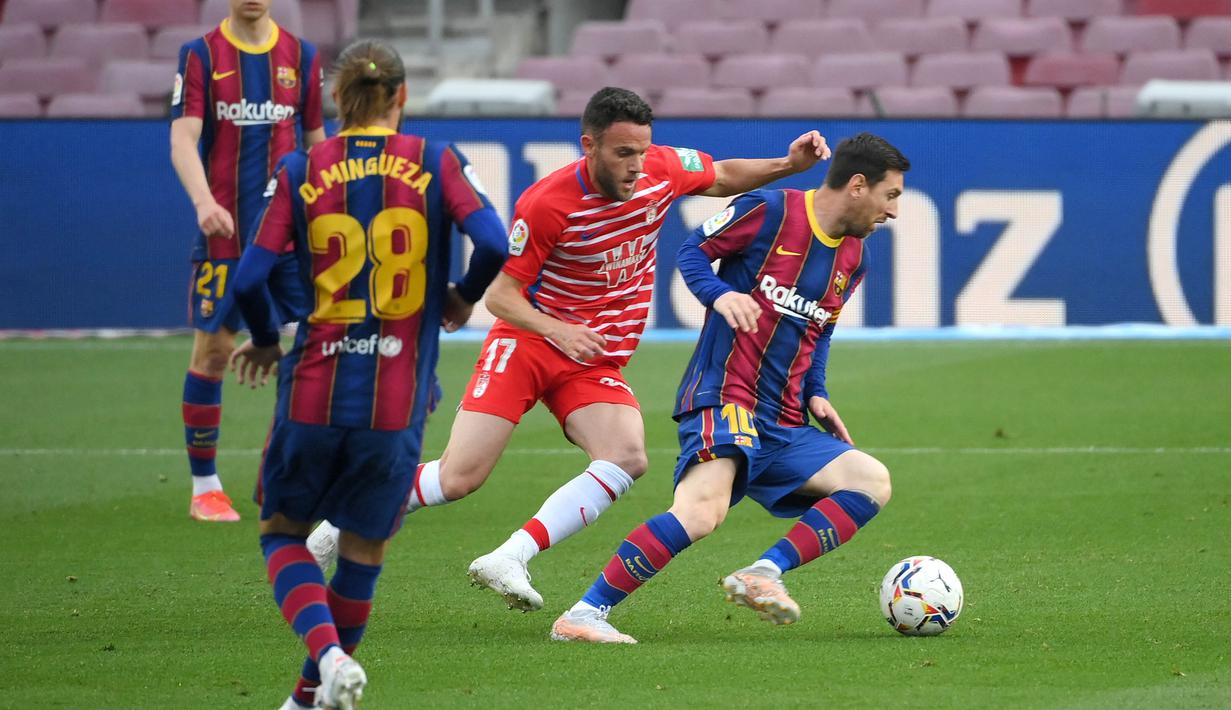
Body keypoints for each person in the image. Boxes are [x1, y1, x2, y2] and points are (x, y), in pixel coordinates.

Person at [310, 87, 832, 613]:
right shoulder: (545, 204)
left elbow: (721, 175)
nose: (635, 166)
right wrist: (559, 330)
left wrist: (788, 164)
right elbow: (502, 297)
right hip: (529, 343)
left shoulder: (661, 169)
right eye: (622, 153)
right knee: (459, 477)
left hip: (591, 358)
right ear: (589, 145)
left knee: (627, 455)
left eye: (642, 152)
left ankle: (511, 556)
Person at [229, 40, 507, 709]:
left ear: (336, 99)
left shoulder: (300, 167)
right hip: (396, 400)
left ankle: (322, 662)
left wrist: (267, 340)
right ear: (400, 96)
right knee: (361, 553)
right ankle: (310, 694)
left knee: (281, 534)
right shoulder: (435, 162)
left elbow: (249, 278)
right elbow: (495, 241)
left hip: (314, 391)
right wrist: (462, 294)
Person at [549, 132, 909, 644]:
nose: (893, 212)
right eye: (890, 196)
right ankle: (583, 615)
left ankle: (764, 572)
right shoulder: (766, 209)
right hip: (725, 396)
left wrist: (817, 390)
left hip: (784, 418)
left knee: (871, 480)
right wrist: (719, 295)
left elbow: (821, 328)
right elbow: (692, 251)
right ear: (857, 186)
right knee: (701, 511)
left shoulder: (854, 257)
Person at [170, 0, 325, 522]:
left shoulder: (301, 56)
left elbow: (314, 143)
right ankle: (205, 486)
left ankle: (289, 473)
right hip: (225, 232)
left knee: (315, 349)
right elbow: (182, 138)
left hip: (290, 237)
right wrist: (203, 202)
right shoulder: (201, 55)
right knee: (213, 352)